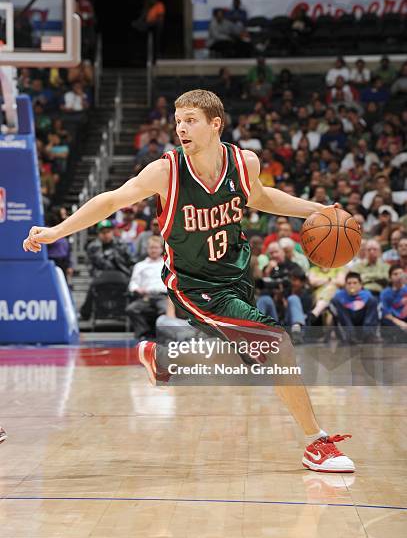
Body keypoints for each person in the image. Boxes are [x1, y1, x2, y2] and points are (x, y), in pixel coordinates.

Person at [23, 89, 355, 473]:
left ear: (216, 124)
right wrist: (56, 231)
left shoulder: (243, 162)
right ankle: (316, 443)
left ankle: (163, 359)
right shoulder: (166, 171)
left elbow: (262, 198)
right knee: (278, 344)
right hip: (194, 284)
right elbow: (112, 200)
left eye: (191, 120)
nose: (181, 128)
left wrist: (318, 210)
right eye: (178, 121)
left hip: (236, 275)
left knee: (251, 358)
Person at [126, 236, 167, 339]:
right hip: (146, 297)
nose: (153, 250)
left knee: (165, 310)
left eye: (156, 248)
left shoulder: (167, 264)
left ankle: (164, 335)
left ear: (161, 249)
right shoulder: (140, 265)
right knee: (131, 309)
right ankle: (144, 333)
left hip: (163, 297)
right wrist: (137, 289)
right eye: (151, 248)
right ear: (147, 249)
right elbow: (133, 284)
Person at [330, 271, 379, 344]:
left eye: (355, 283)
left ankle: (367, 335)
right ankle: (350, 336)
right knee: (336, 303)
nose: (352, 286)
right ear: (345, 285)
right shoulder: (338, 297)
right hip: (347, 327)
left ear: (360, 285)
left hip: (363, 325)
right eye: (349, 283)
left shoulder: (368, 296)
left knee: (373, 301)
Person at [380, 264, 407, 343]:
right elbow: (386, 314)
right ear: (390, 277)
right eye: (395, 274)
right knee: (385, 321)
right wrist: (400, 323)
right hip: (393, 320)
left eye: (401, 273)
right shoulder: (385, 293)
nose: (399, 276)